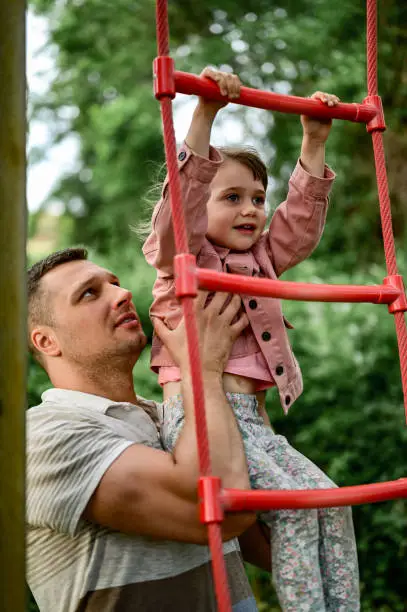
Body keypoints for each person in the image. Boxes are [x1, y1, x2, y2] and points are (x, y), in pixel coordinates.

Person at [143, 68, 360, 610]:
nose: (250, 209)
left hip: (253, 420)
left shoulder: (260, 259)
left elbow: (300, 225)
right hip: (200, 417)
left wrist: (314, 141)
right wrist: (205, 114)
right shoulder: (184, 261)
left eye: (257, 199)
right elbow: (180, 213)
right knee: (290, 507)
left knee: (332, 503)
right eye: (232, 197)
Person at [26, 247, 271, 612]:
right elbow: (220, 511)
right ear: (47, 341)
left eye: (115, 283)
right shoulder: (40, 438)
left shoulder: (170, 417)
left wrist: (245, 375)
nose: (122, 294)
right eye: (89, 293)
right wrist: (203, 369)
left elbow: (269, 540)